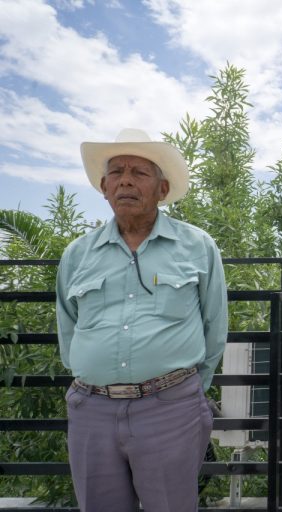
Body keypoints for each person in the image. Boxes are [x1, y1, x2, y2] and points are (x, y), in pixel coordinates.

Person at [56, 128, 228, 512]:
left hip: (171, 409)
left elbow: (214, 327)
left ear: (162, 189)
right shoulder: (77, 255)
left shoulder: (198, 246)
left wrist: (185, 393)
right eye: (117, 172)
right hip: (92, 410)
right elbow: (67, 329)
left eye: (139, 172)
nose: (126, 181)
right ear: (103, 187)